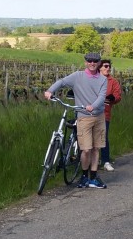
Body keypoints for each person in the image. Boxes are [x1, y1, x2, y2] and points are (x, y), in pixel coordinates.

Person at [44, 52, 108, 188]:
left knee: (97, 148)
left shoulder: (103, 79)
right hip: (83, 116)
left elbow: (102, 97)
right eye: (89, 61)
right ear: (86, 62)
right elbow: (61, 82)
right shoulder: (77, 76)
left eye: (95, 61)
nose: (92, 63)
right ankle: (84, 176)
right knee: (85, 149)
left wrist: (93, 106)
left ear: (98, 63)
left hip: (98, 116)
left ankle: (94, 176)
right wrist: (50, 91)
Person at [99, 59, 122, 172]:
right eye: (106, 66)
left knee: (103, 137)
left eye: (109, 66)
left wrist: (113, 98)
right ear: (100, 67)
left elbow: (117, 95)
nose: (108, 68)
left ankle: (105, 161)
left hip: (105, 112)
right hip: (90, 111)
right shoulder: (93, 79)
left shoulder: (113, 81)